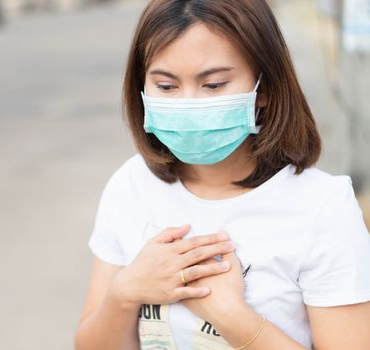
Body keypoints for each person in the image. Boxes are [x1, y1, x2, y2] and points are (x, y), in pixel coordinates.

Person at [74, 0, 370, 349]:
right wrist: (124, 292)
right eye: (167, 87)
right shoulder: (131, 186)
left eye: (213, 85)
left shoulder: (322, 207)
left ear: (265, 89)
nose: (188, 104)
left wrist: (231, 316)